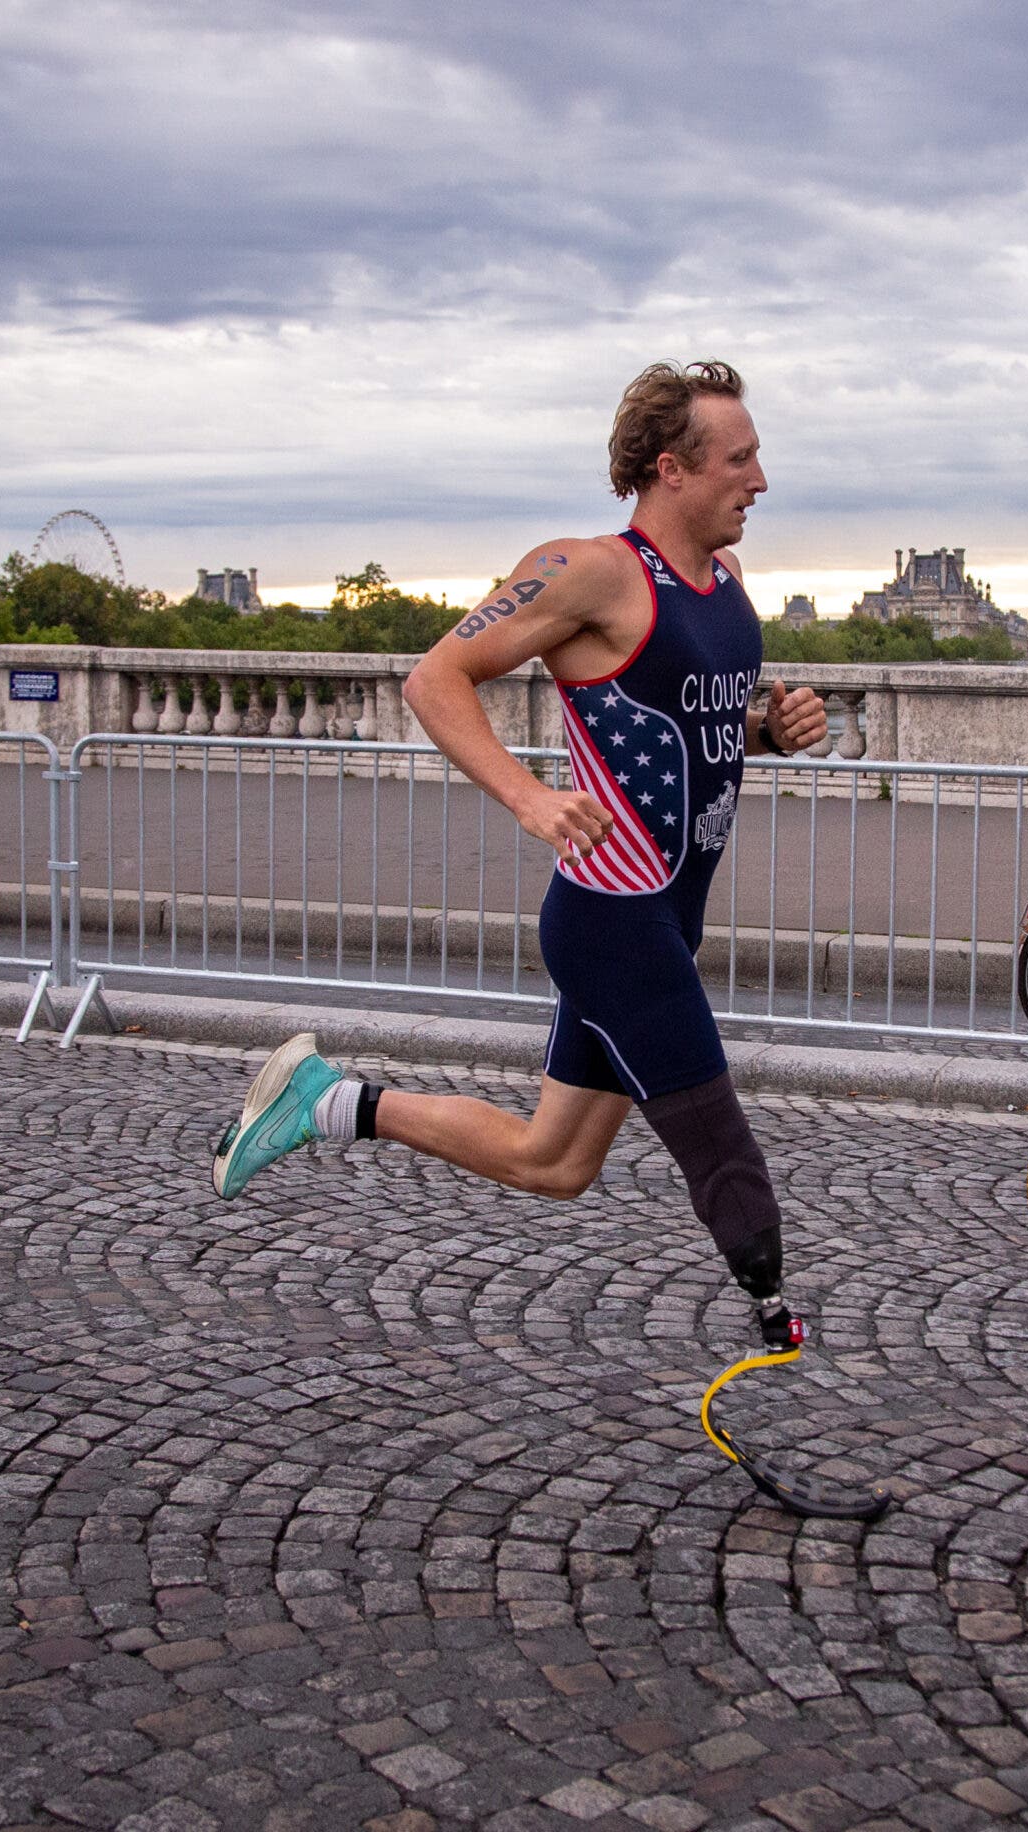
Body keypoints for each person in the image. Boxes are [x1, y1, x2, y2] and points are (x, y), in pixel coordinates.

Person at [209, 360, 828, 1352]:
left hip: (673, 911)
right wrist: (529, 796)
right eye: (741, 458)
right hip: (612, 920)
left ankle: (323, 1101)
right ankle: (778, 1336)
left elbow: (693, 729)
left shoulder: (727, 585)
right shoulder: (588, 570)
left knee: (553, 1161)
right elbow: (435, 676)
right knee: (722, 1155)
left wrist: (771, 728)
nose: (759, 479)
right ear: (672, 467)